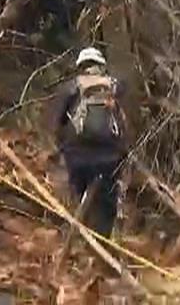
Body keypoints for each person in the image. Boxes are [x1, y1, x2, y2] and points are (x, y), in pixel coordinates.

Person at [52, 46, 127, 239]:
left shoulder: (71, 87)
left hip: (78, 156)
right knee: (108, 197)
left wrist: (62, 147)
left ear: (80, 66)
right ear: (101, 65)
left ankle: (83, 236)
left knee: (80, 192)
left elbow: (59, 123)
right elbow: (122, 120)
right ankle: (105, 237)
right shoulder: (115, 85)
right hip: (109, 156)